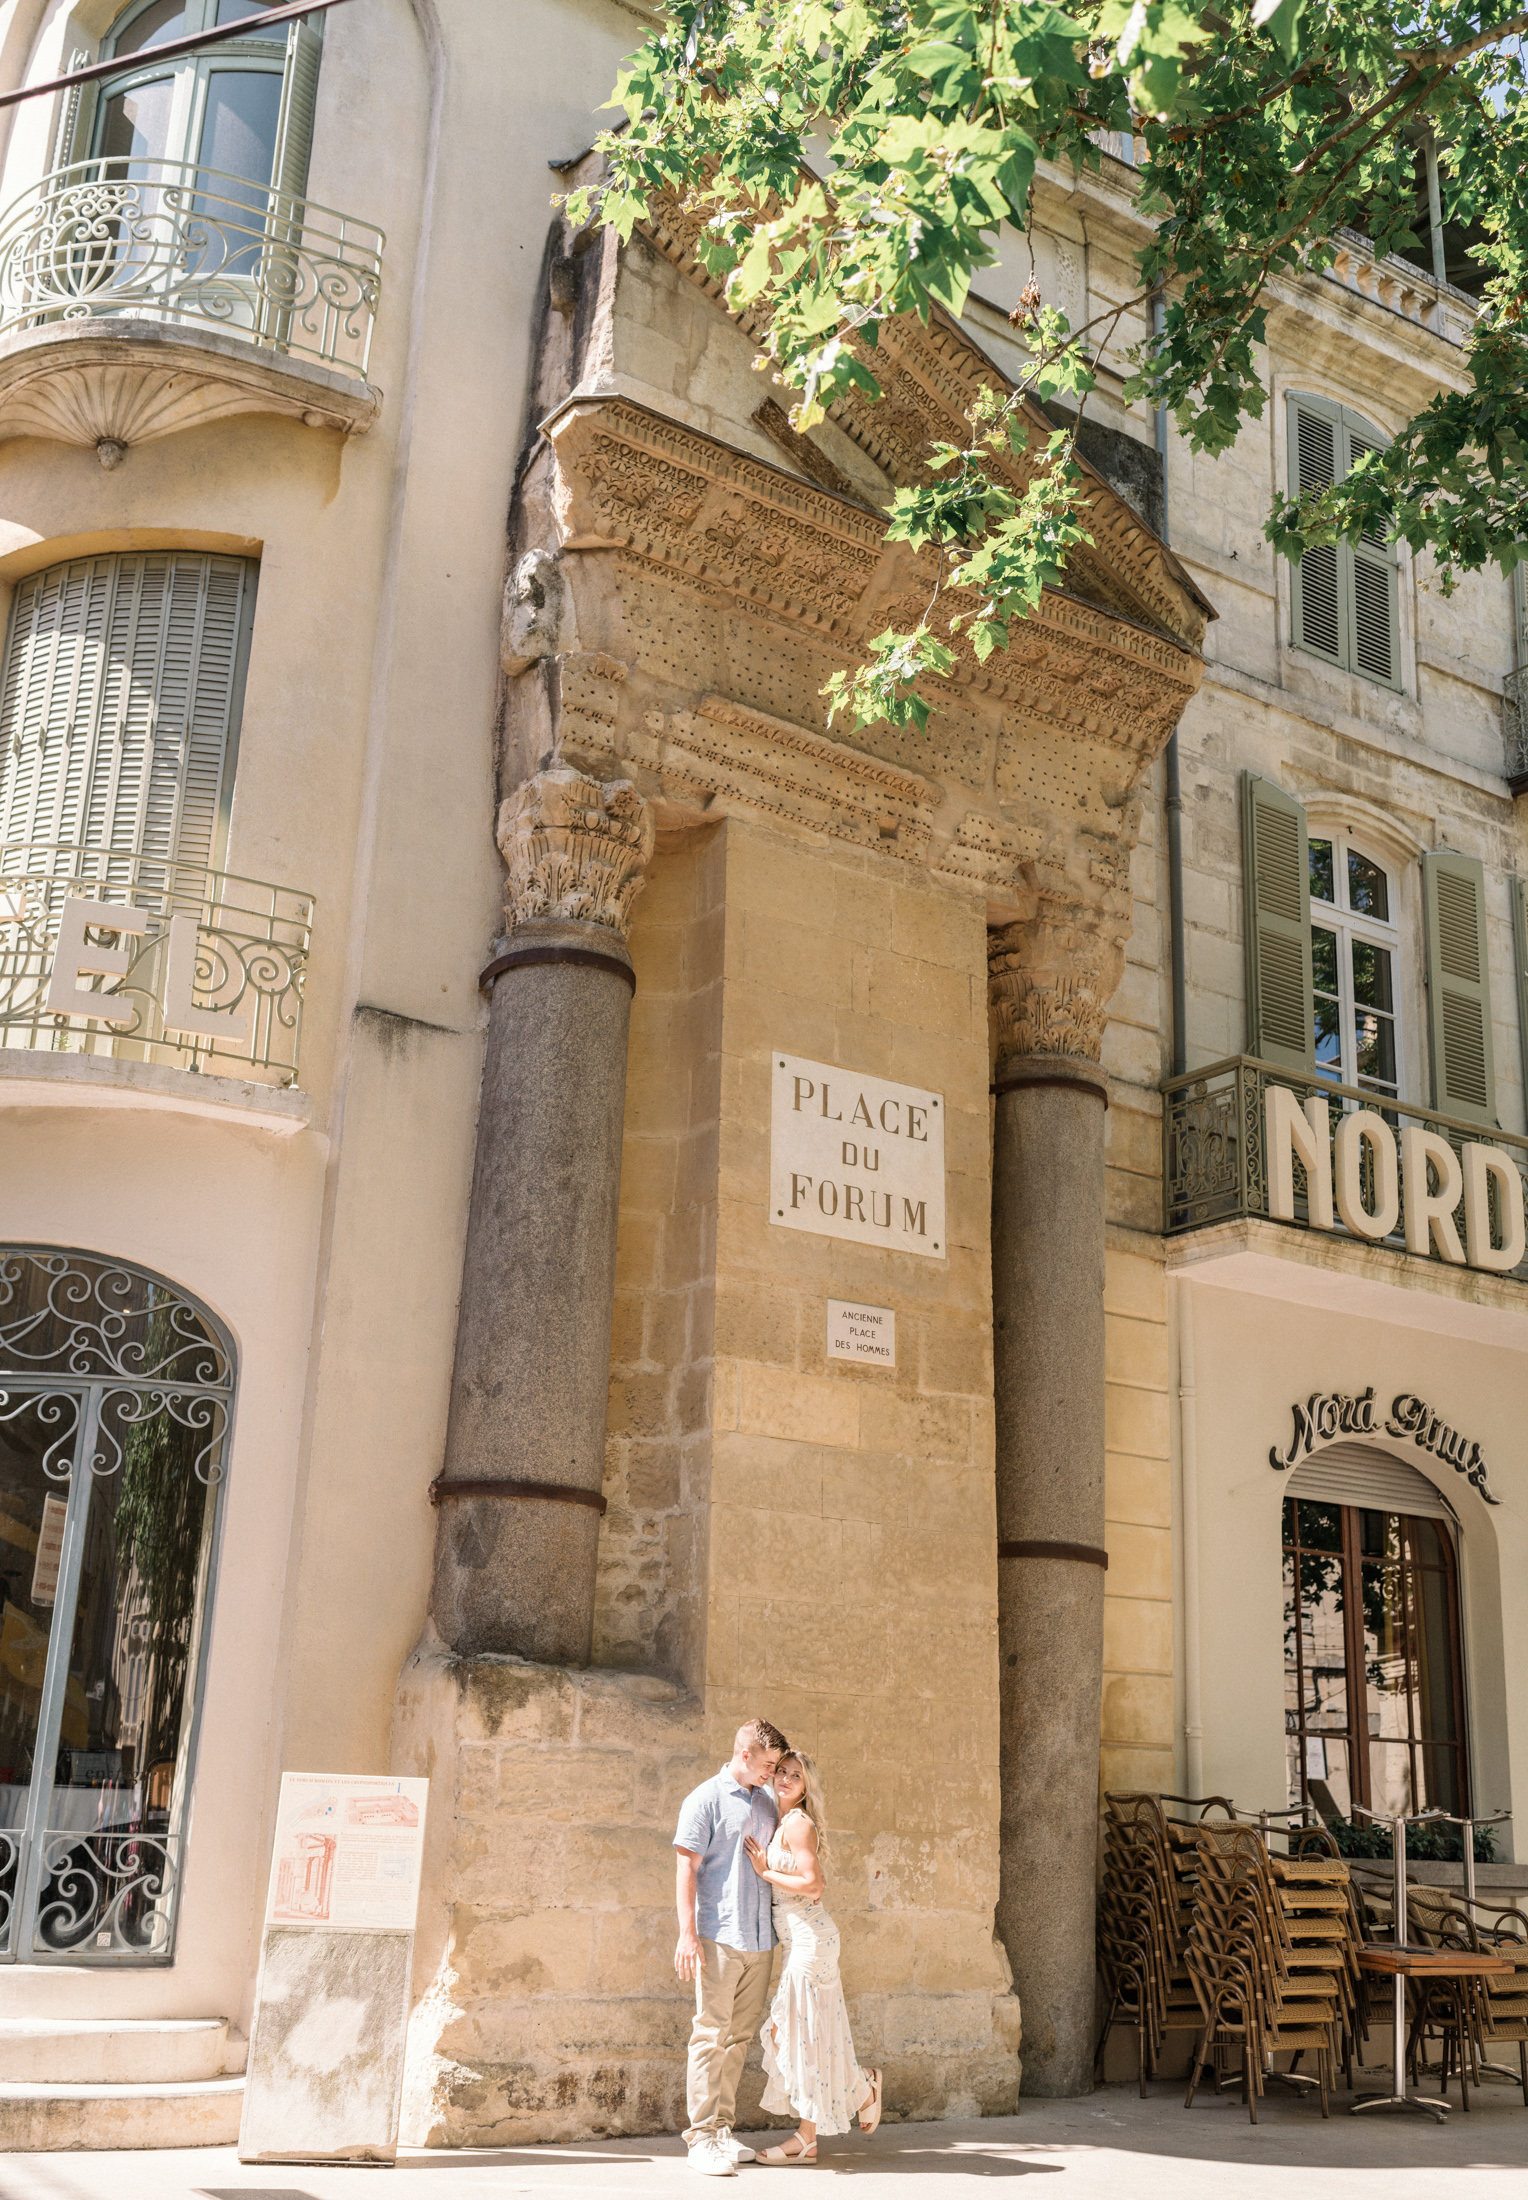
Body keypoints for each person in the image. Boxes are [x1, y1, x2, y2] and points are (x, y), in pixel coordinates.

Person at [744, 1750, 882, 2165]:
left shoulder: (799, 1823)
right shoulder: (782, 1820)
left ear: (806, 1786)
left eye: (795, 1776)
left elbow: (813, 1884)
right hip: (800, 1943)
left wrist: (765, 1871)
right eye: (781, 1772)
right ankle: (860, 2089)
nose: (785, 1779)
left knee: (796, 2038)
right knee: (802, 2038)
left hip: (810, 1940)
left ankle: (810, 2135)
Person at [673, 1717, 791, 2176]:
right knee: (710, 2035)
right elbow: (686, 1868)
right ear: (744, 1755)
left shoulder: (767, 1803)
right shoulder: (704, 1799)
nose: (772, 1772)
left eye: (777, 1765)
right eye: (767, 1764)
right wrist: (687, 1933)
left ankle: (722, 2130)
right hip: (719, 1936)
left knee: (739, 2039)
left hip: (761, 1939)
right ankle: (700, 2139)